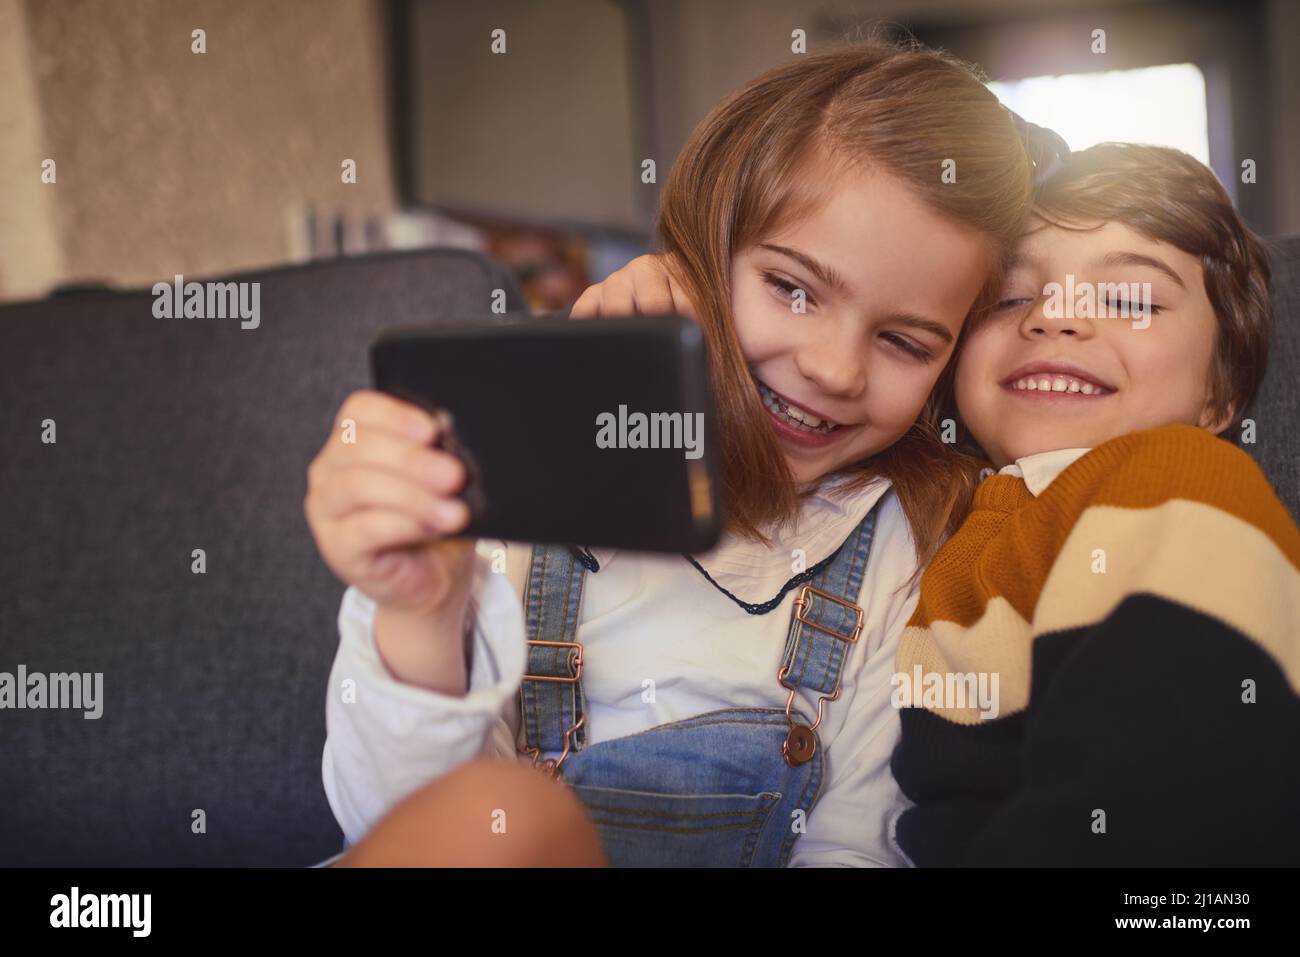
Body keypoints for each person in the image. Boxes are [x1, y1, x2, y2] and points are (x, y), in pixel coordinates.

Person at [305, 39, 1036, 866]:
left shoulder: (900, 548)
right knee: (491, 813)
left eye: (903, 339)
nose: (834, 369)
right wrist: (420, 613)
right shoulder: (520, 467)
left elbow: (853, 848)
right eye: (792, 288)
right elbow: (399, 827)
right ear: (696, 254)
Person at [890, 142, 1300, 865]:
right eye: (1010, 296)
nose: (1055, 317)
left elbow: (1172, 806)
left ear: (1221, 396)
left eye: (1129, 299)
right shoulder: (944, 498)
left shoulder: (1178, 476)